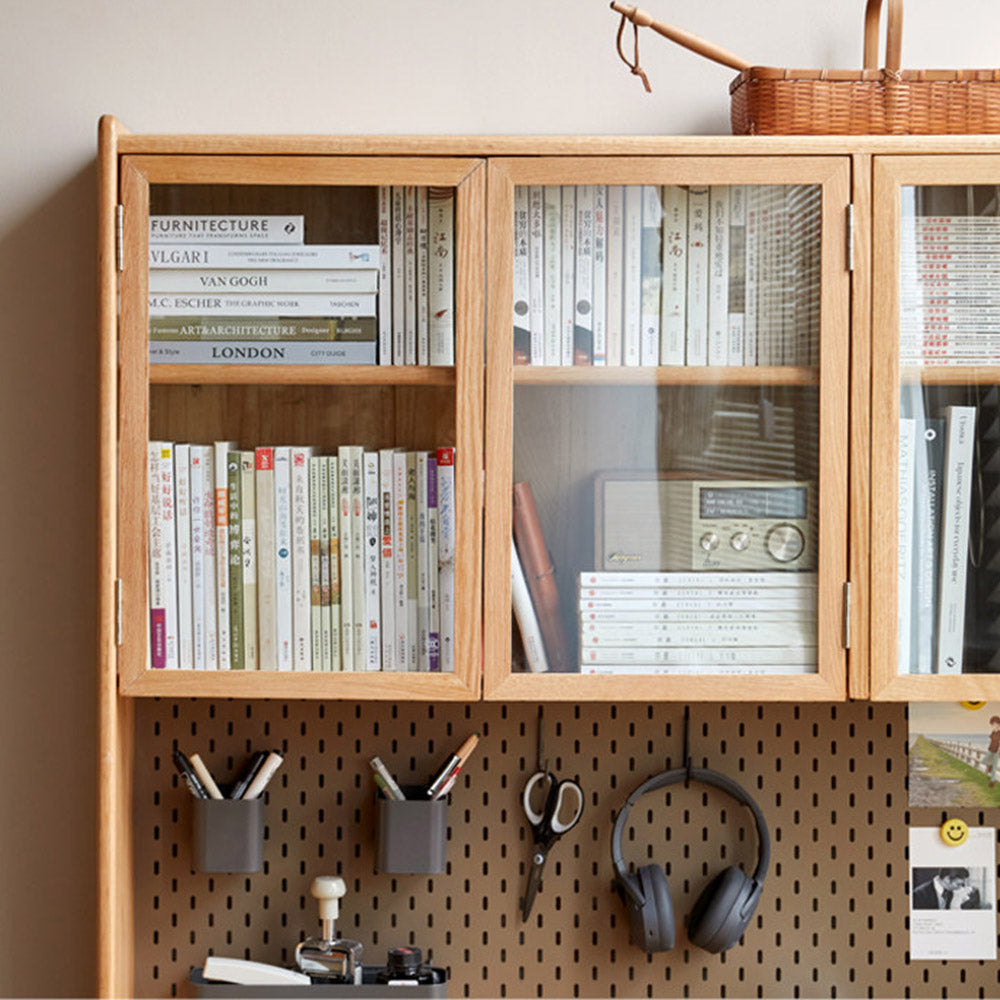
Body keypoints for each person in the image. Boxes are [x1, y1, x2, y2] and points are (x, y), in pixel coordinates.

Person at [912, 867, 981, 910]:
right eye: (958, 884)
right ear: (947, 879)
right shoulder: (918, 895)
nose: (960, 888)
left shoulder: (953, 893)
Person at [986, 716, 1000, 787]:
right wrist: (988, 749)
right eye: (992, 725)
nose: (993, 726)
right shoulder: (993, 733)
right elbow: (991, 741)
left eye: (994, 724)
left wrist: (998, 751)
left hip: (996, 752)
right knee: (985, 761)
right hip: (991, 750)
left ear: (998, 724)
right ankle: (989, 767)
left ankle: (992, 782)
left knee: (994, 767)